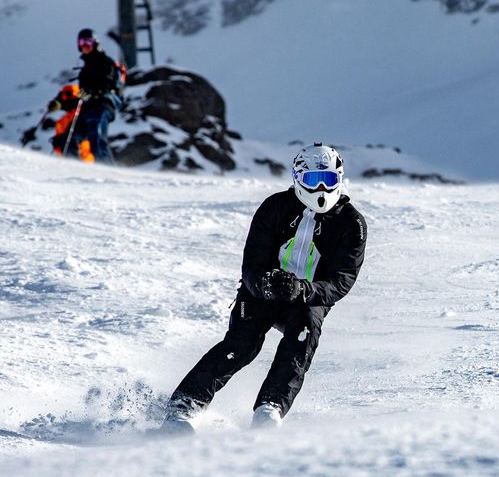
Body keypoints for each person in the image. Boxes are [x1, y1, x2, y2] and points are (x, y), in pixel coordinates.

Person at [161, 143, 368, 433]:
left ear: (340, 180)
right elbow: (252, 263)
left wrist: (304, 291)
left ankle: (270, 408)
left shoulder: (352, 224)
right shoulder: (275, 207)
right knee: (241, 344)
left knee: (302, 338)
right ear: (297, 179)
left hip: (309, 299)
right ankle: (183, 407)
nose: (321, 188)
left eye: (330, 180)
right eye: (312, 180)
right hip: (262, 292)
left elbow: (342, 279)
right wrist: (265, 283)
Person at [67, 28, 123, 164]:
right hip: (89, 107)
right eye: (82, 42)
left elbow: (108, 83)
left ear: (95, 43)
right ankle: (71, 167)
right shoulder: (85, 69)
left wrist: (96, 91)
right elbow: (83, 92)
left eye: (88, 41)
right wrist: (77, 98)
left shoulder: (105, 62)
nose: (85, 45)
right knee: (68, 138)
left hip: (103, 103)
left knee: (96, 137)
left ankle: (108, 171)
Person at [45, 84, 94, 162]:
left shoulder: (84, 113)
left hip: (85, 157)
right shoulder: (63, 121)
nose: (64, 98)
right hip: (71, 157)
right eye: (63, 96)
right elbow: (60, 147)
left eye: (68, 95)